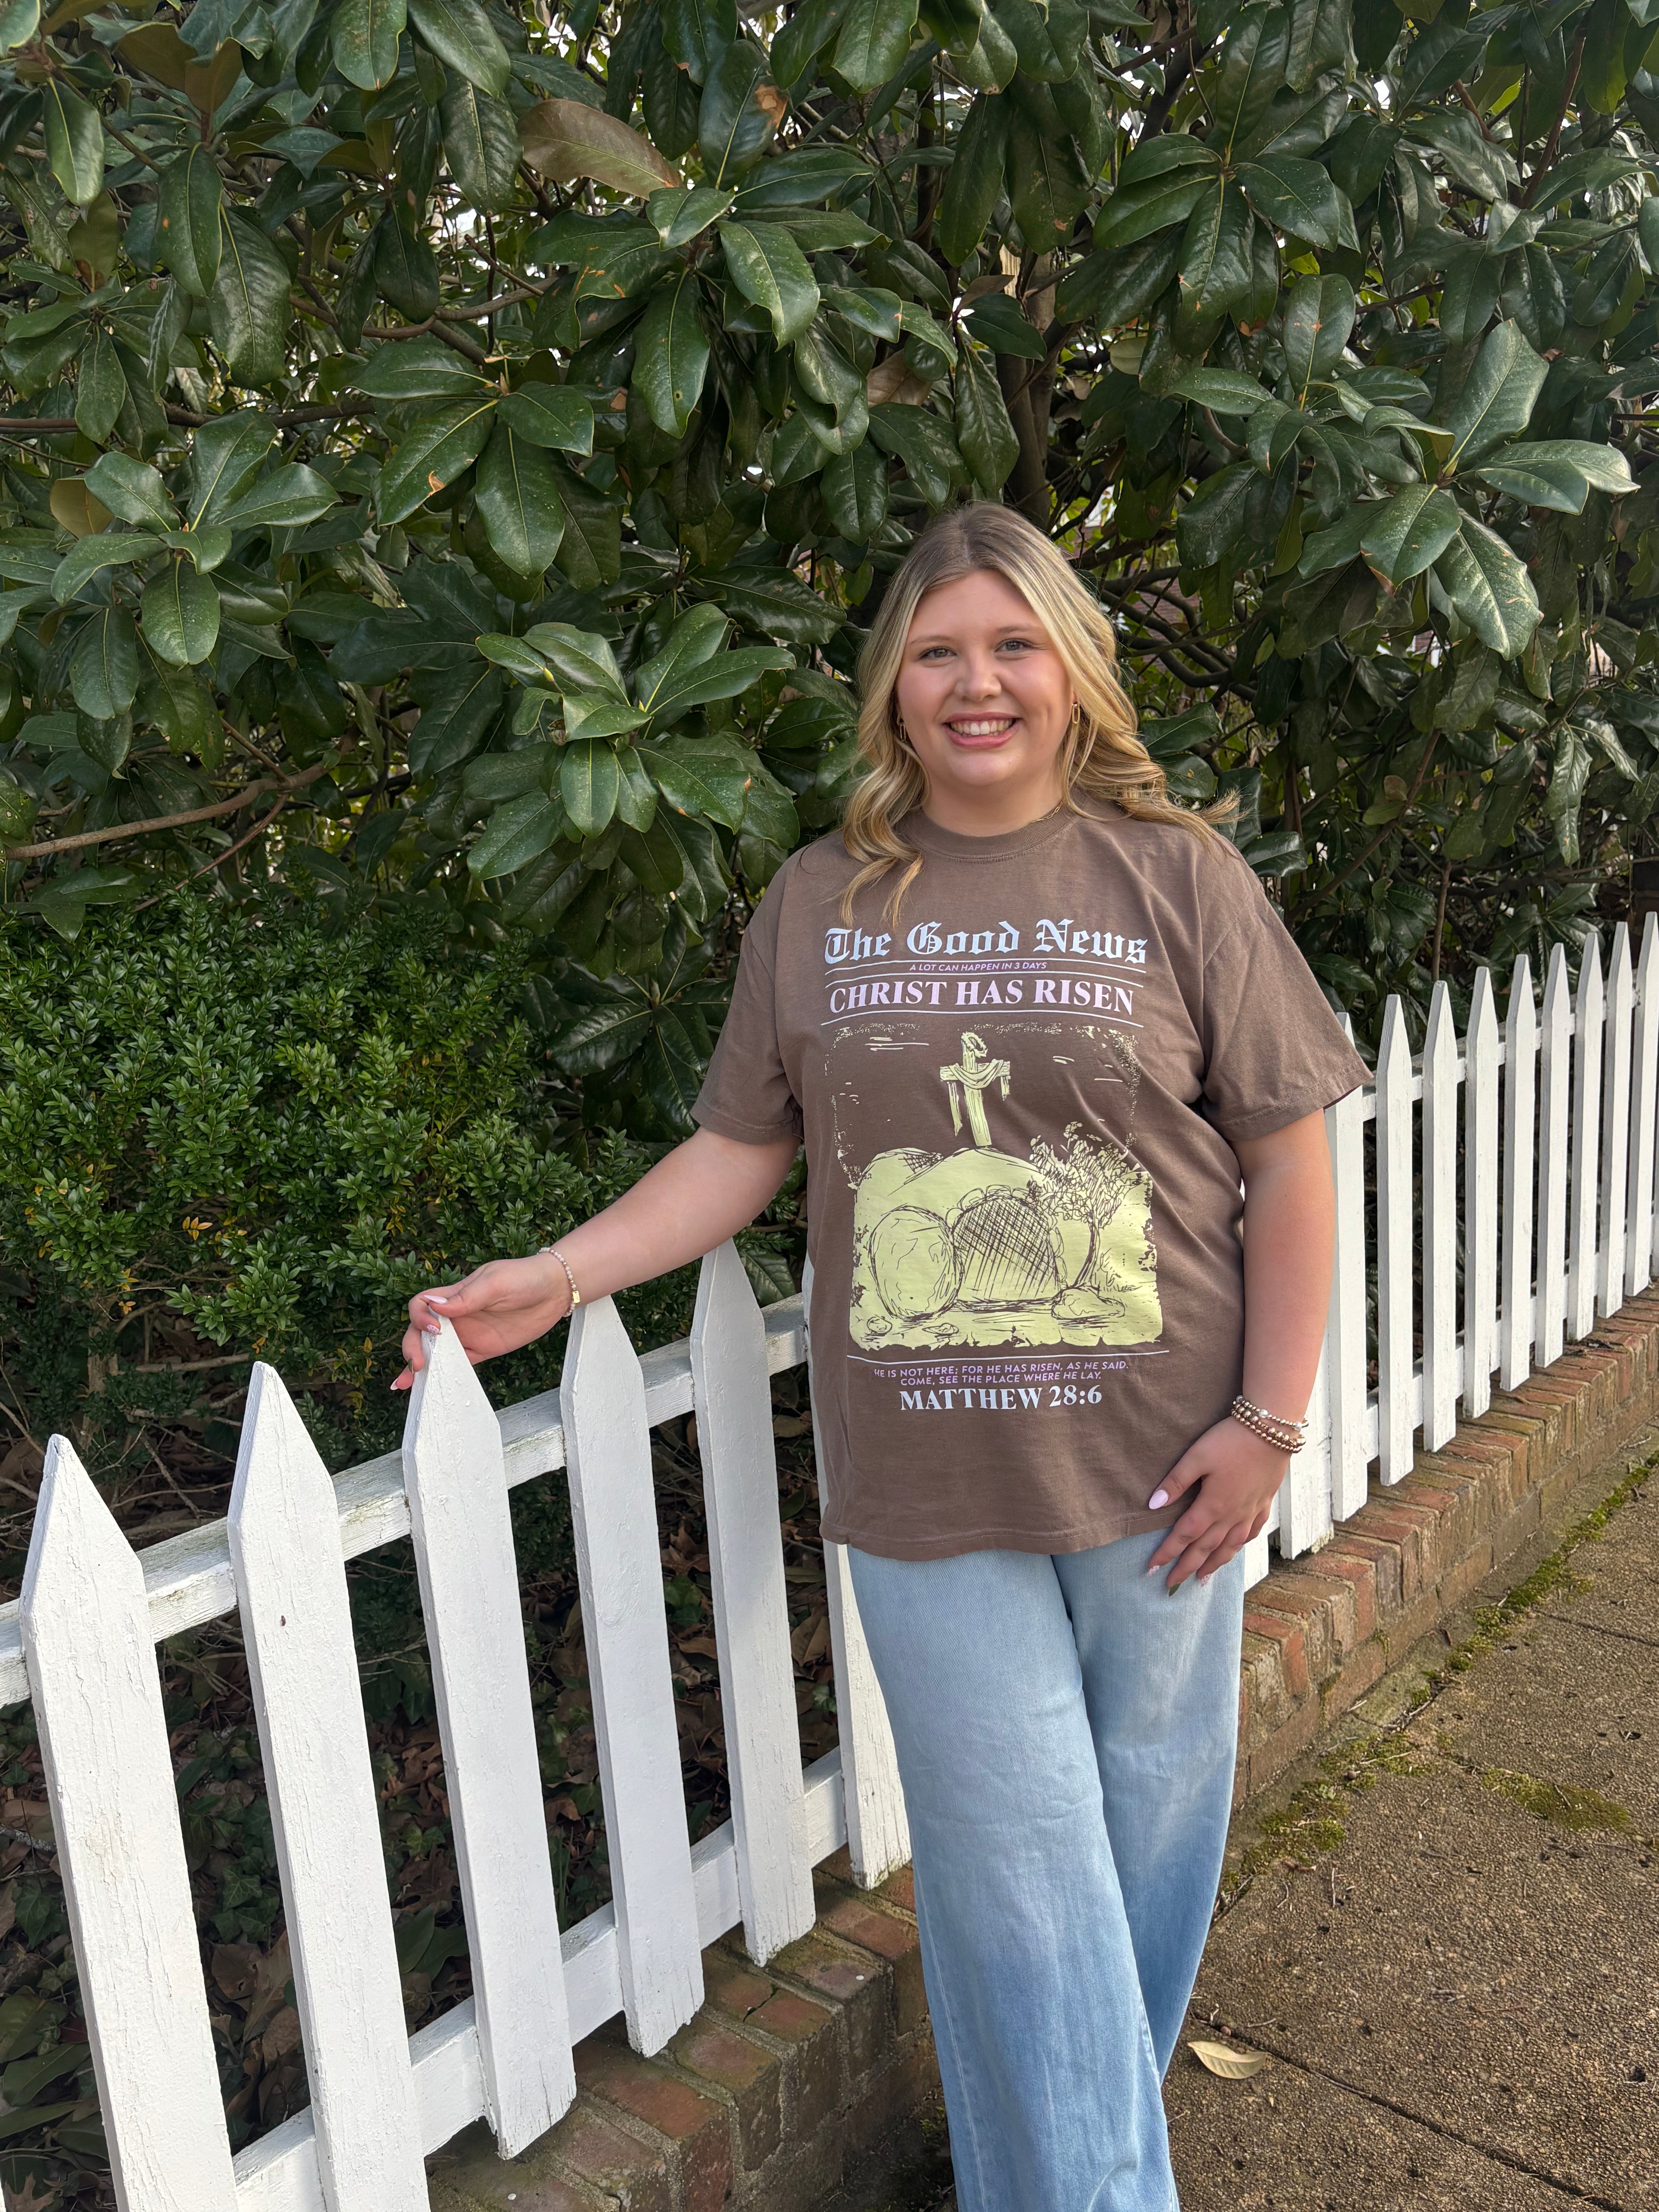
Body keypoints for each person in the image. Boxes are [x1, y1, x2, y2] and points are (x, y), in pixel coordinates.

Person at [395, 504, 1368, 2211]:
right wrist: (556, 1273)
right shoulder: (826, 895)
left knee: (1139, 1861)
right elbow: (740, 1149)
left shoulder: (1176, 871)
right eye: (937, 650)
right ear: (893, 686)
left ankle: (1057, 2171)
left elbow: (1290, 1151)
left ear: (1070, 669)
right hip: (927, 1481)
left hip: (1167, 1463)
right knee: (1022, 1890)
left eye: (1012, 645)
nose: (975, 682)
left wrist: (1272, 1420)